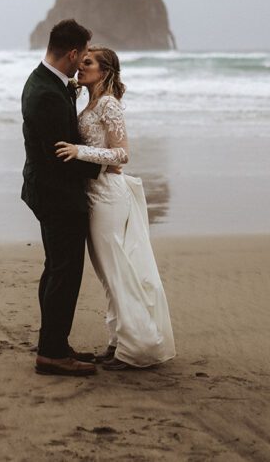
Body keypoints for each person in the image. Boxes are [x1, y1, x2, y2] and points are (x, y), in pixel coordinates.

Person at [55, 47, 176, 370]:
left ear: (105, 71)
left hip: (107, 195)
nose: (81, 67)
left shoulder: (108, 104)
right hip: (94, 191)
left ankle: (138, 345)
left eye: (88, 63)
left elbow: (122, 154)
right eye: (81, 63)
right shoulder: (90, 103)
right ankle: (118, 340)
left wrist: (78, 151)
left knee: (116, 270)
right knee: (109, 274)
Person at [20, 19, 103, 376]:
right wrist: (101, 165)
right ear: (72, 53)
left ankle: (54, 343)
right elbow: (60, 155)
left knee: (56, 268)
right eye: (83, 54)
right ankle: (52, 352)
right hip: (56, 194)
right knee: (65, 272)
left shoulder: (44, 82)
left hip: (47, 189)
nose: (84, 60)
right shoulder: (46, 94)